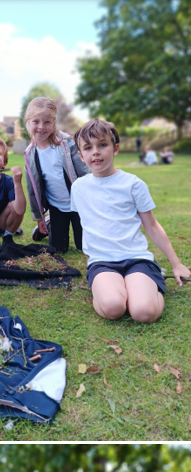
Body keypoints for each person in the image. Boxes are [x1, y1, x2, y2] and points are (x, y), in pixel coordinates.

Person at [70, 119, 190, 323]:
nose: (96, 152)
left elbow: (151, 226)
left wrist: (176, 263)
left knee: (144, 312)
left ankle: (150, 284)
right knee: (113, 307)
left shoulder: (133, 184)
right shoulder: (79, 187)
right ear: (81, 156)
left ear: (115, 148)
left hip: (136, 258)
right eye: (88, 148)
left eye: (102, 145)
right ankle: (110, 288)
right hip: (102, 261)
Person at [22, 96, 89, 253]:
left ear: (54, 124)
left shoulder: (67, 144)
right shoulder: (29, 154)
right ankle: (48, 223)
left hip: (78, 205)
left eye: (47, 122)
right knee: (58, 248)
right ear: (28, 122)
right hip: (56, 206)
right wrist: (38, 217)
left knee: (84, 246)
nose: (41, 127)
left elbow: (85, 173)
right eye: (36, 121)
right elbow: (32, 189)